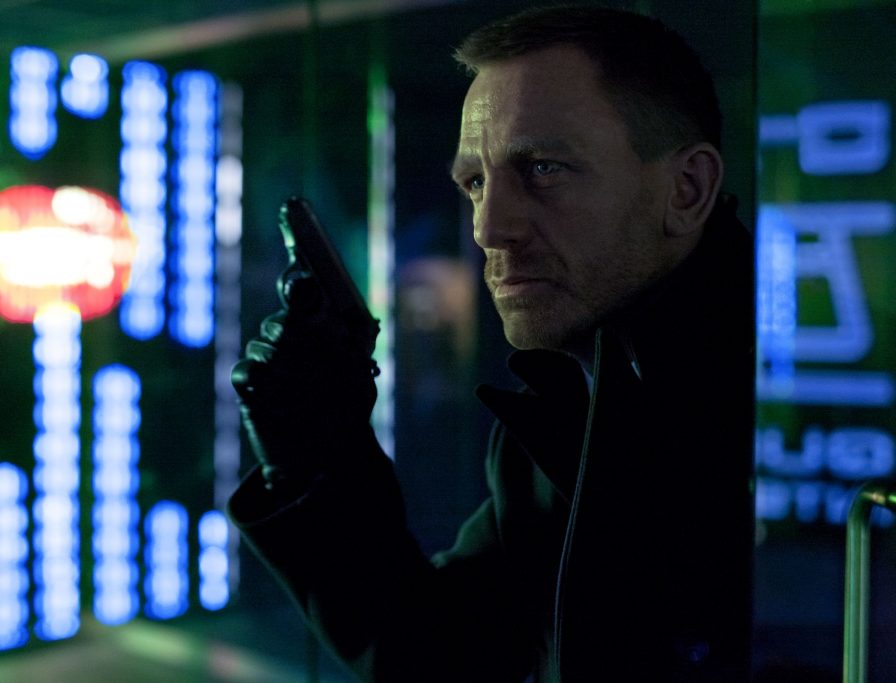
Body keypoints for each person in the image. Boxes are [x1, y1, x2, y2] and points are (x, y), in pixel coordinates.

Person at [229, 6, 754, 682]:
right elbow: (443, 655)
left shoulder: (781, 407)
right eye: (475, 182)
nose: (488, 227)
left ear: (687, 189)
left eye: (544, 168)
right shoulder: (566, 418)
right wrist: (315, 459)